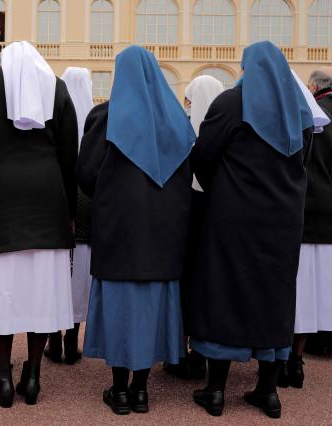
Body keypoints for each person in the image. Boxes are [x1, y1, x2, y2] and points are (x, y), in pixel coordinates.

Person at [189, 41, 314, 419]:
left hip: (233, 216)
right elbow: (302, 160)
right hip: (284, 220)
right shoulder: (299, 109)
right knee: (275, 296)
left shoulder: (231, 103)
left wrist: (222, 190)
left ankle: (215, 391)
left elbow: (203, 157)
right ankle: (268, 391)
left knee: (226, 291)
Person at [0, 41, 78, 408]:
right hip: (48, 195)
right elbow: (70, 153)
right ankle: (35, 377)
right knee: (44, 291)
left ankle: (3, 379)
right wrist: (69, 208)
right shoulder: (56, 87)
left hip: (0, 196)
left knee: (2, 290)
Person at [77, 46, 193, 416]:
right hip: (163, 231)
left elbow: (86, 176)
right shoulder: (175, 118)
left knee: (119, 305)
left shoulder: (106, 116)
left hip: (119, 229)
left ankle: (120, 390)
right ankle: (142, 390)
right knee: (152, 307)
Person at [163, 75, 224, 380]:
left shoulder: (181, 130)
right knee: (206, 285)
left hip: (184, 214)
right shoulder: (225, 131)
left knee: (183, 285)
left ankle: (178, 351)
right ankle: (203, 354)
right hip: (214, 215)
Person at [280, 68, 332, 389]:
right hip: (327, 216)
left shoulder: (303, 116)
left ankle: (283, 359)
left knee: (293, 290)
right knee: (314, 293)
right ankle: (297, 360)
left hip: (299, 212)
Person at [44, 67, 94, 365]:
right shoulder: (94, 119)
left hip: (59, 196)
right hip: (86, 200)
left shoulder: (56, 115)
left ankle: (53, 338)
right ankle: (73, 336)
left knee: (56, 270)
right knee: (80, 273)